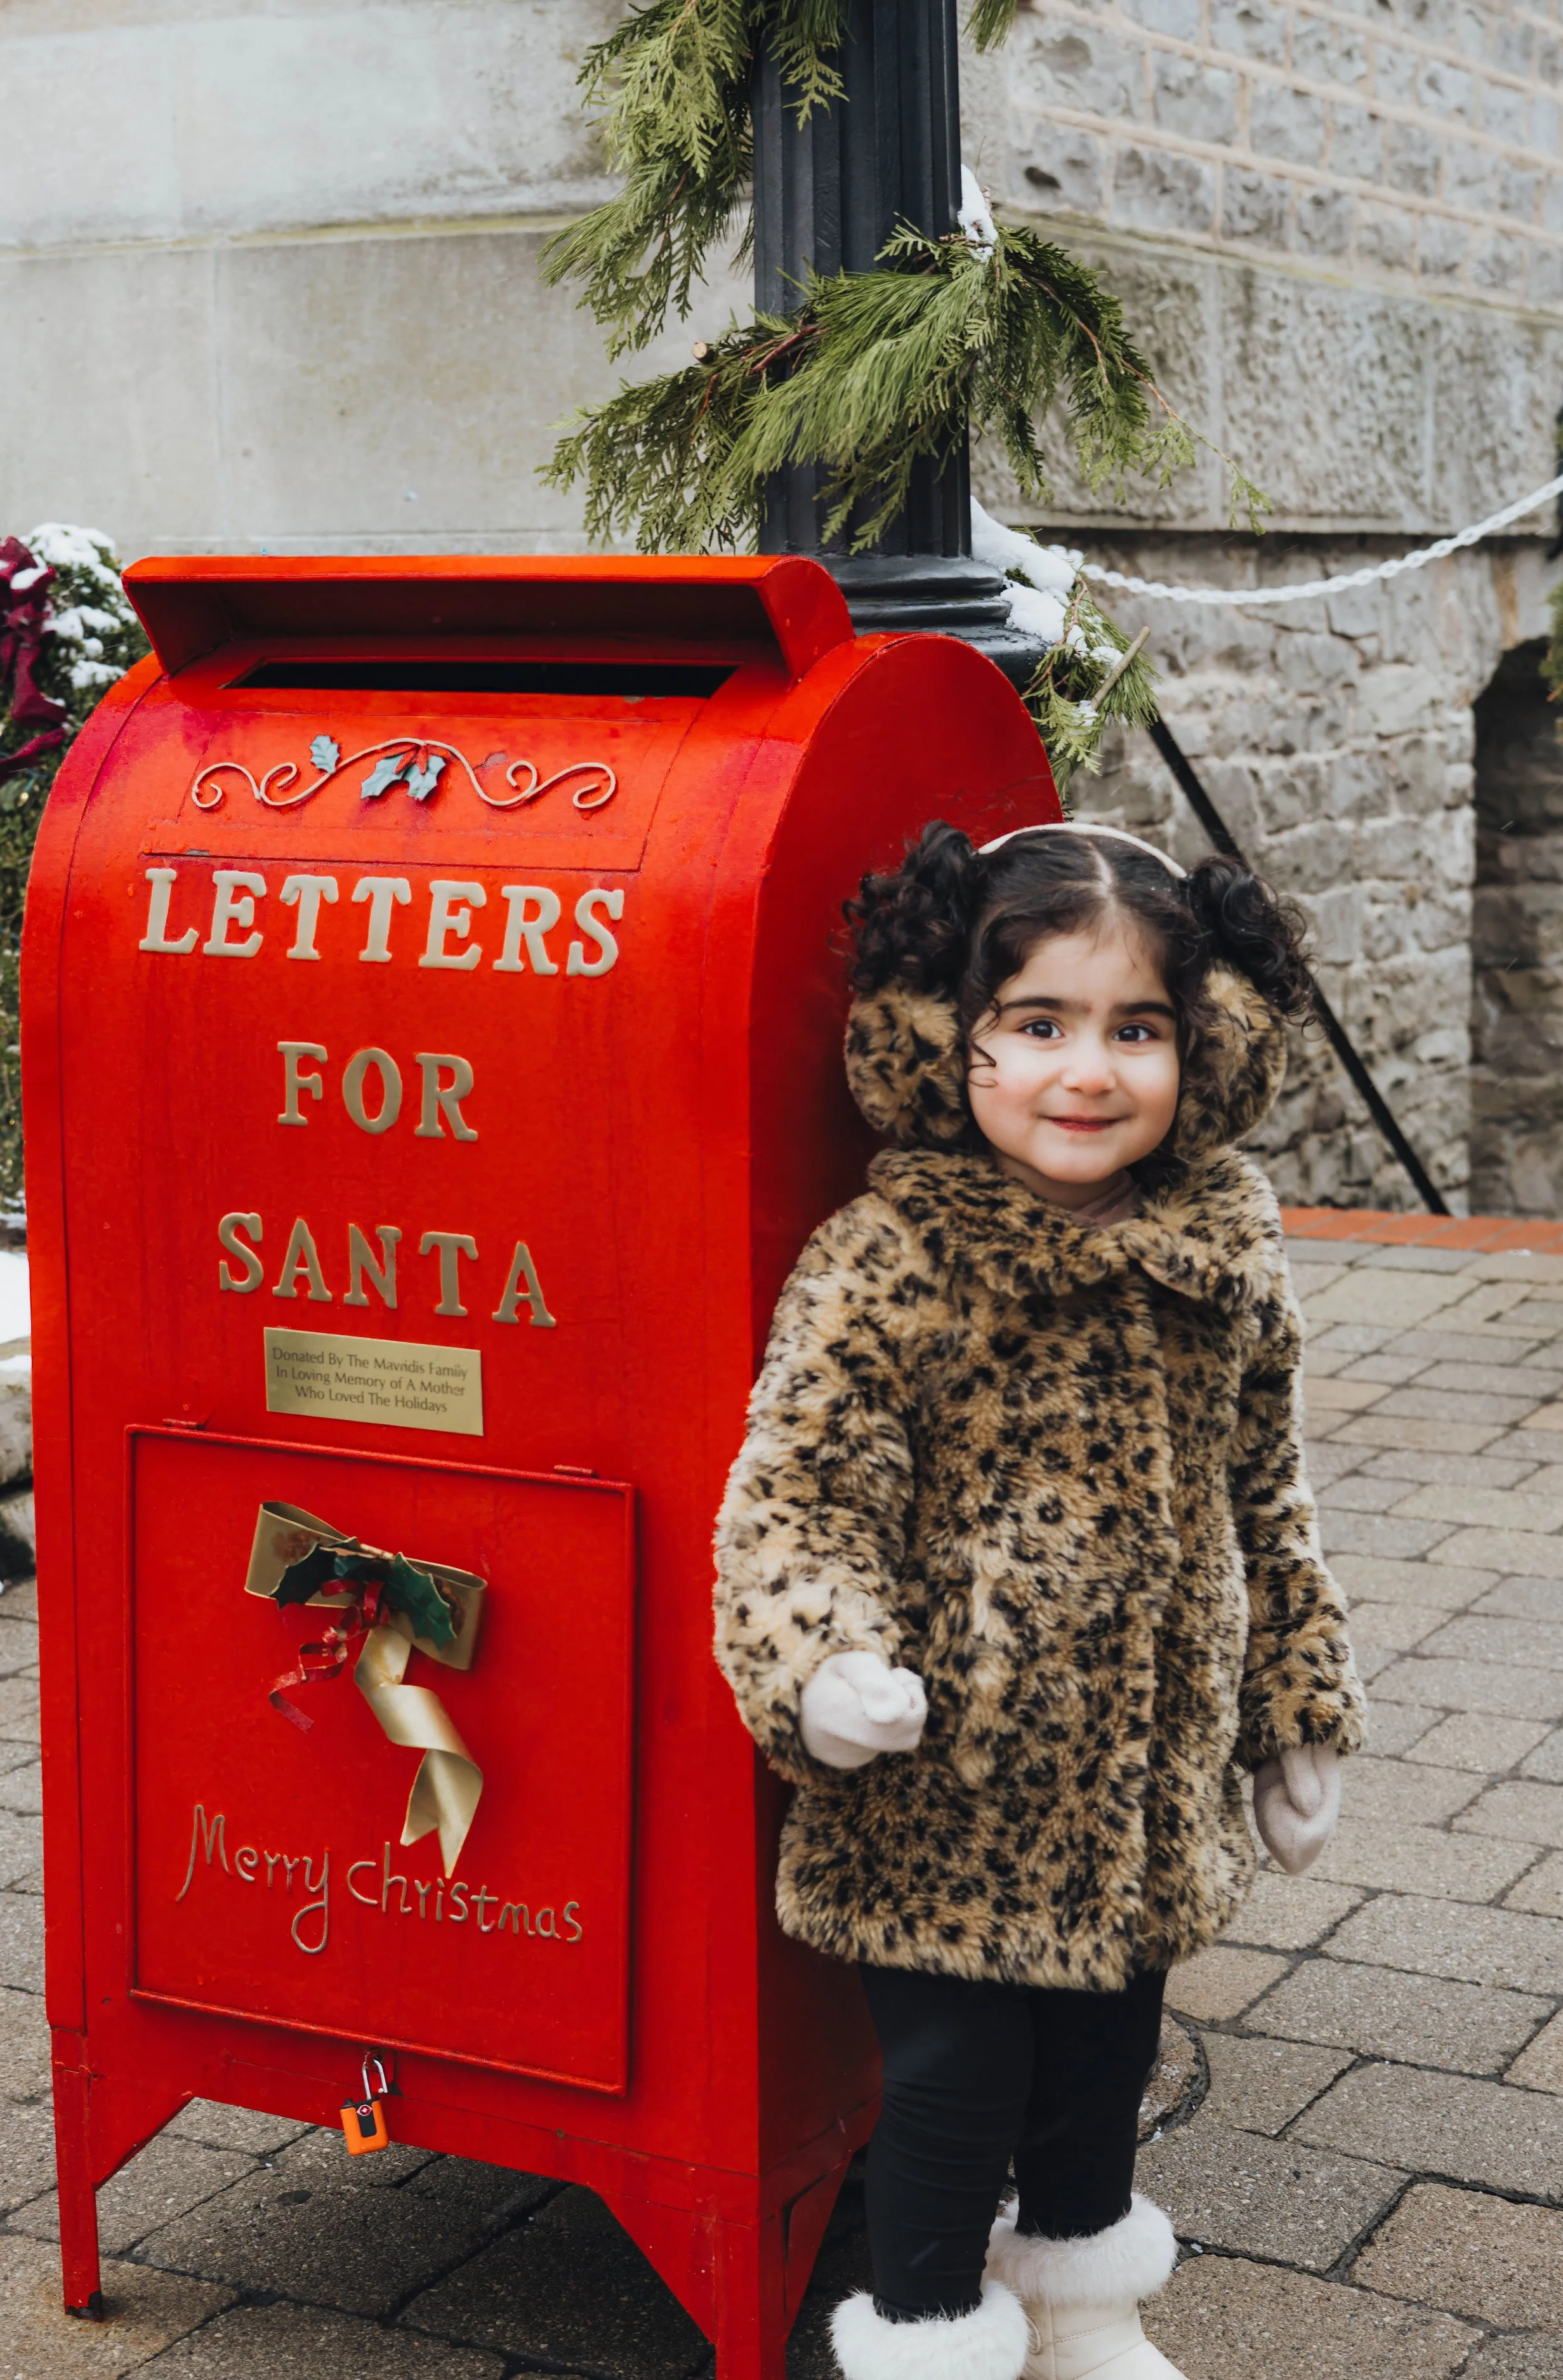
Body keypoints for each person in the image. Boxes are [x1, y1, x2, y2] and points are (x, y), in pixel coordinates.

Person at [712, 820, 1367, 2380]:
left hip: (1145, 1785)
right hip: (944, 1787)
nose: (1087, 1072)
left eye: (1135, 1029)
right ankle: (931, 2339)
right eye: (1036, 1023)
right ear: (949, 1041)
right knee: (951, 2083)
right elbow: (800, 1496)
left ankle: (1082, 2315)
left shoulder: (1219, 1253)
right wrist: (825, 1663)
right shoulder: (894, 1259)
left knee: (1100, 2064)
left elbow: (1265, 1496)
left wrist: (1293, 1709)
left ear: (1202, 1045)